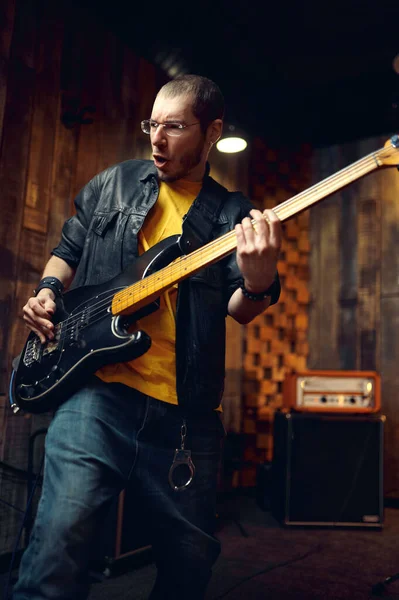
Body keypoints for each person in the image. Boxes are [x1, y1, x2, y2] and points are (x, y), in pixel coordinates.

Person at [13, 74, 282, 600]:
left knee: (189, 565)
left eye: (175, 127)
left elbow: (242, 311)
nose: (157, 140)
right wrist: (47, 290)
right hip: (97, 393)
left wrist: (259, 278)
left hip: (185, 413)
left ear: (212, 133)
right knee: (56, 552)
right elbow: (69, 246)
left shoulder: (230, 214)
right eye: (152, 125)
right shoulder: (115, 182)